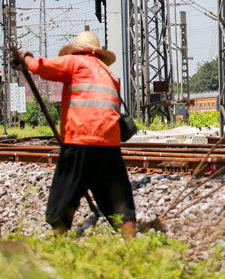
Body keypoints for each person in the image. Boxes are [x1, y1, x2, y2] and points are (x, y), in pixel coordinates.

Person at [16, 30, 137, 239]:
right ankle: (133, 244)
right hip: (109, 141)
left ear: (78, 50)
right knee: (117, 196)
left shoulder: (75, 62)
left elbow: (39, 67)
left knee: (64, 193)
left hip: (81, 137)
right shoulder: (107, 73)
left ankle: (59, 243)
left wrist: (24, 56)